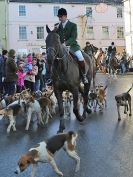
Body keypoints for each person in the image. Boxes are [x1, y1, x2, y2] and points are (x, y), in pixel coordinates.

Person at [55, 8, 88, 84]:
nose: (60, 18)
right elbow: (56, 36)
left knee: (80, 57)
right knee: (53, 58)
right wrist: (55, 29)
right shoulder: (58, 26)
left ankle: (84, 75)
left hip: (73, 46)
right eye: (59, 17)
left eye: (61, 16)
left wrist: (65, 43)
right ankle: (52, 76)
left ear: (65, 16)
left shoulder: (73, 25)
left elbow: (73, 37)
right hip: (61, 48)